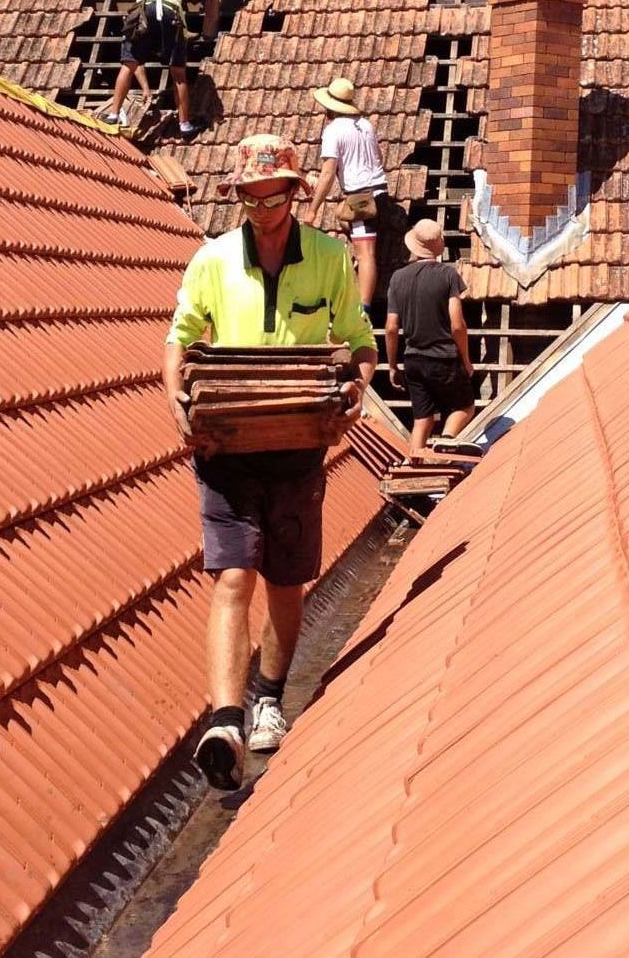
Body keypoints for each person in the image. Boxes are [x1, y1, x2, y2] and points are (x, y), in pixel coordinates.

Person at [165, 133, 377, 791]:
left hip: (296, 446)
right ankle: (225, 720)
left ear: (293, 193)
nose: (261, 213)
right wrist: (177, 402)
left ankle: (268, 697)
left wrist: (353, 394)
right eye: (250, 202)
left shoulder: (331, 260)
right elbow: (178, 340)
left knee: (286, 582)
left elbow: (359, 343)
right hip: (226, 443)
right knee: (233, 577)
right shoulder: (211, 261)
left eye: (271, 200)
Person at [385, 218, 475, 455]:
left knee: (422, 420)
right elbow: (457, 325)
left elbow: (392, 327)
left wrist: (393, 365)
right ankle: (446, 440)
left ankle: (412, 462)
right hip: (443, 357)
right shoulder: (448, 275)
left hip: (413, 359)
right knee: (464, 407)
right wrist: (465, 360)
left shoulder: (397, 278)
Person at [303, 77, 389, 318]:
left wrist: (312, 209)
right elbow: (379, 157)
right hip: (379, 190)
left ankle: (364, 308)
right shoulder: (366, 125)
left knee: (366, 255)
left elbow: (328, 172)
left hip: (361, 197)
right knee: (342, 215)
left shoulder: (333, 131)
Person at [102, 0, 203, 139]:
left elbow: (137, 63)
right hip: (170, 13)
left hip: (143, 9)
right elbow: (184, 36)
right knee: (178, 73)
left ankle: (113, 115)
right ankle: (185, 125)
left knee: (128, 65)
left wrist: (146, 88)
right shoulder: (178, 9)